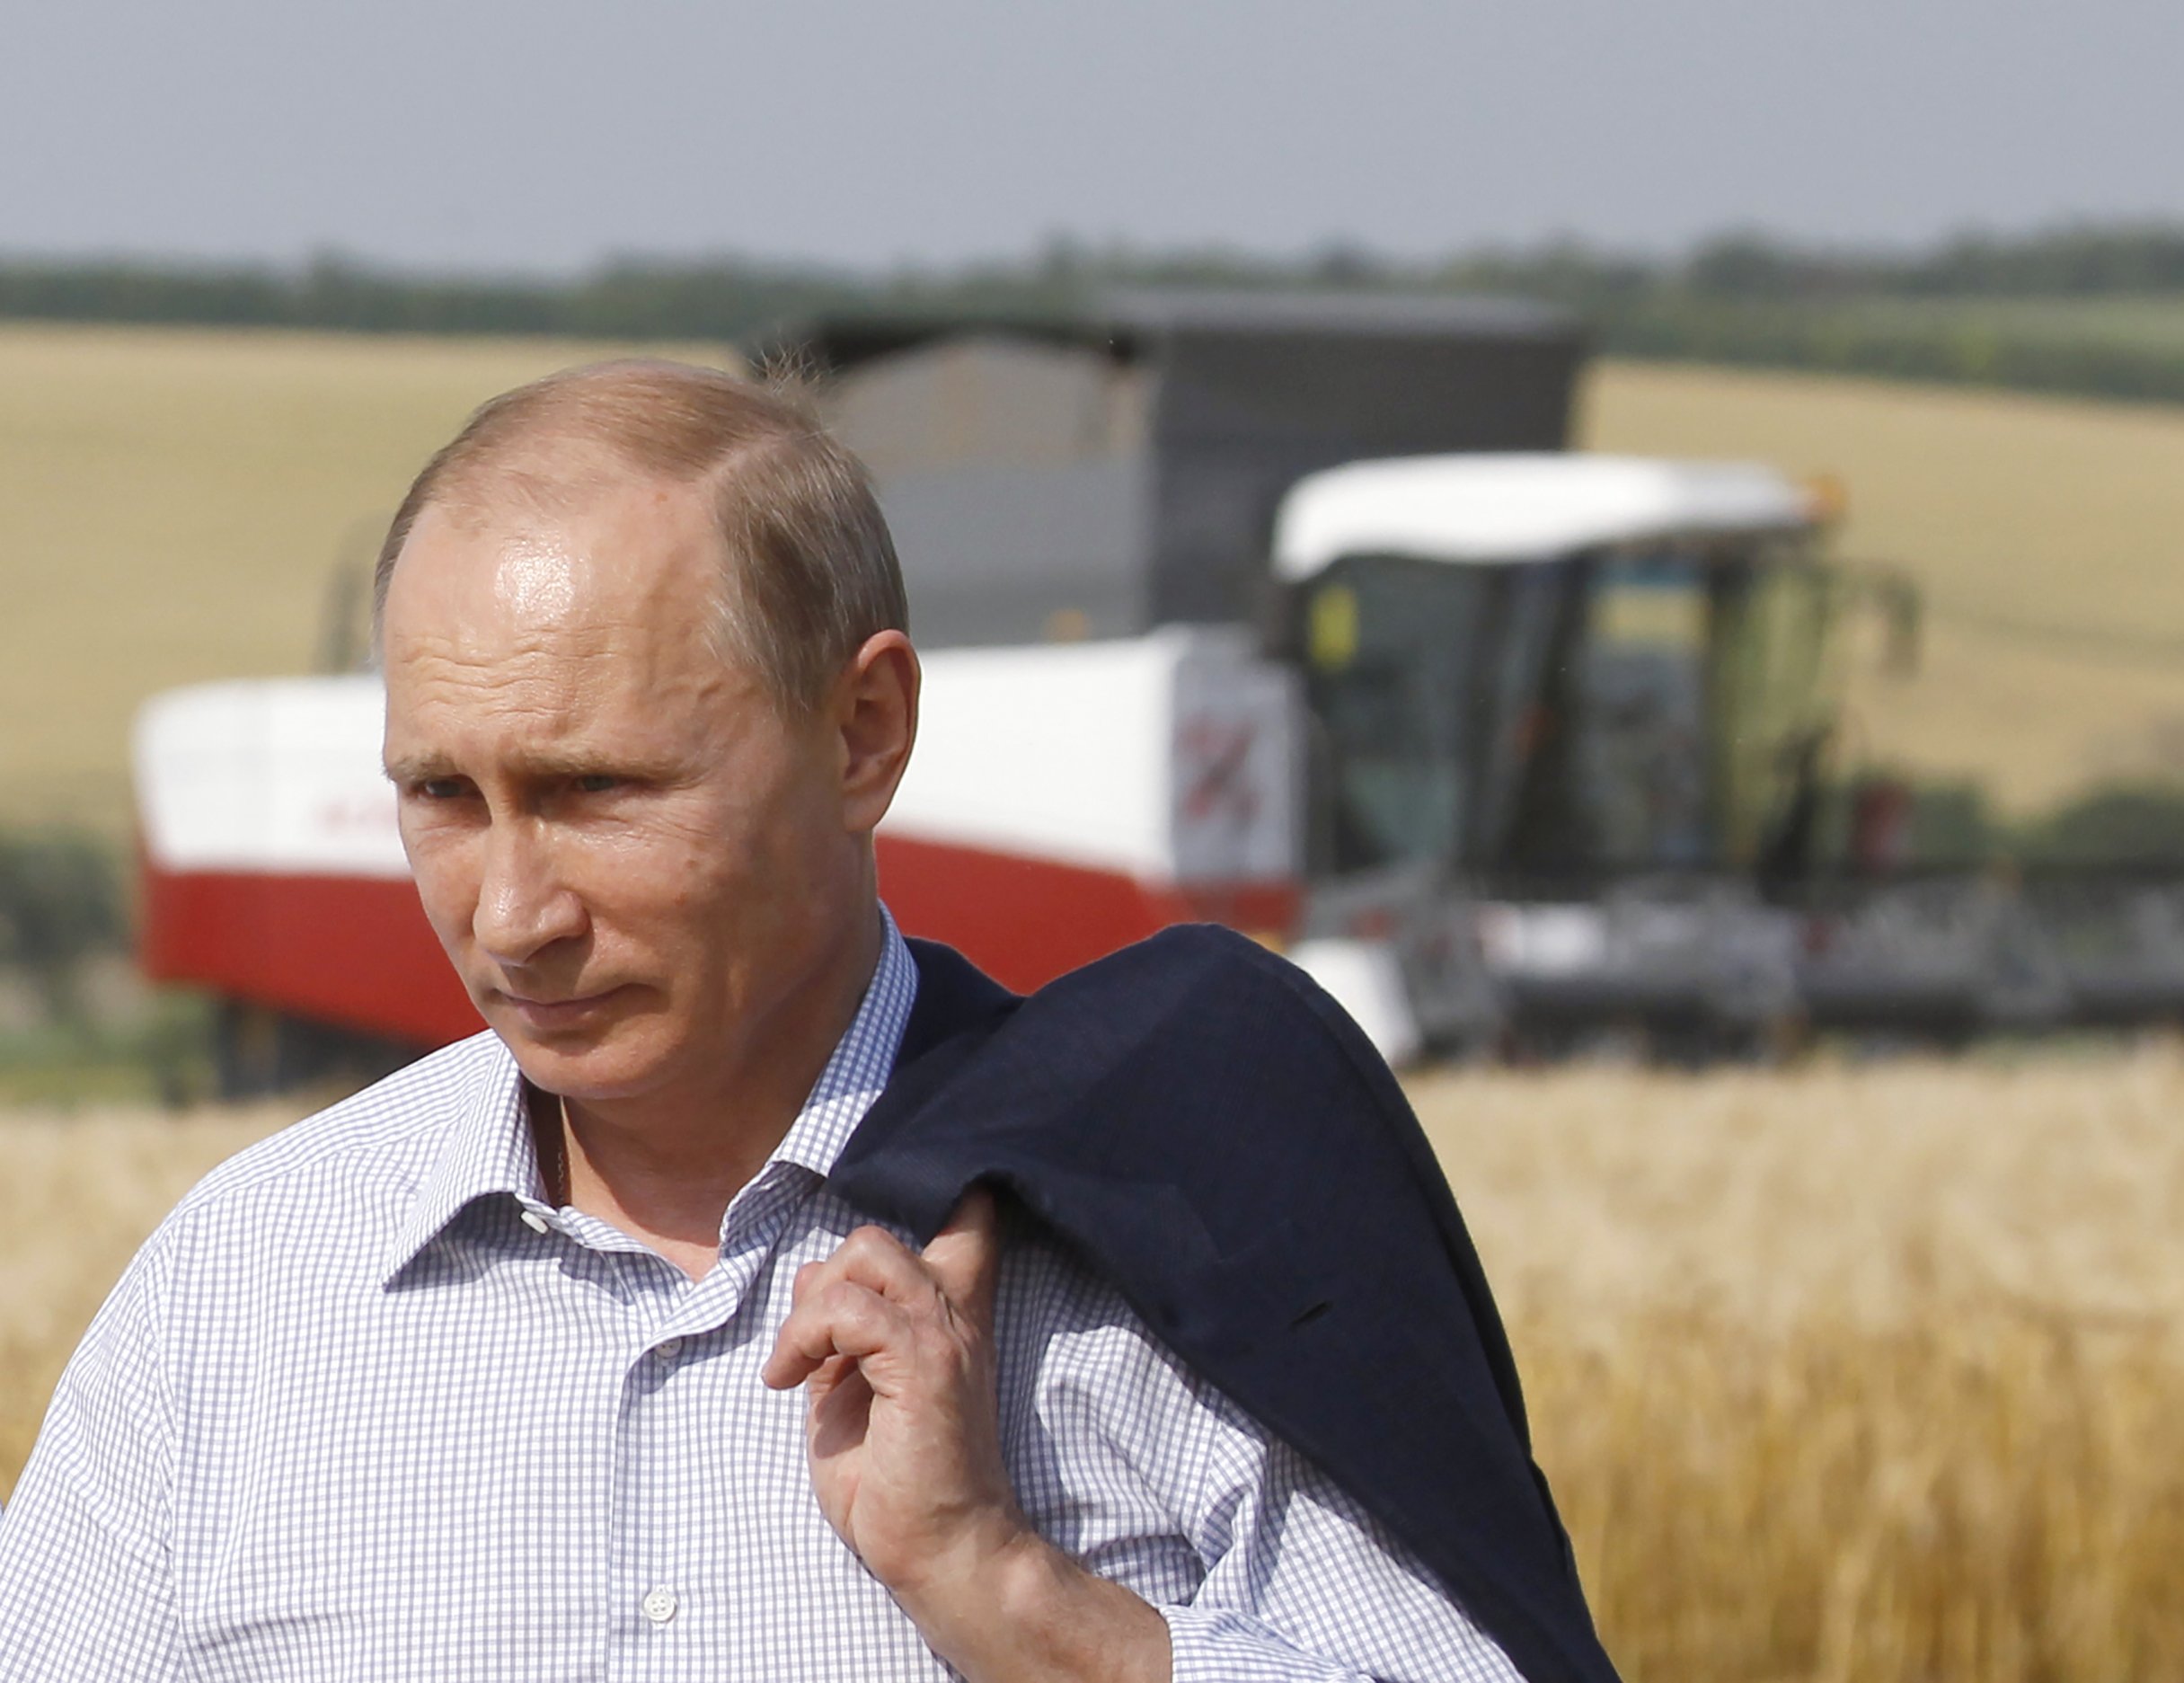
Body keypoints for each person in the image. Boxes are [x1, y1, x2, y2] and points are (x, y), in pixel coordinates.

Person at [0, 361, 1600, 1679]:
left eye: (594, 790)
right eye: (443, 798)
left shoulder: (1179, 1227)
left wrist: (1004, 1585)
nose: (511, 913)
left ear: (862, 731)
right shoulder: (242, 1292)